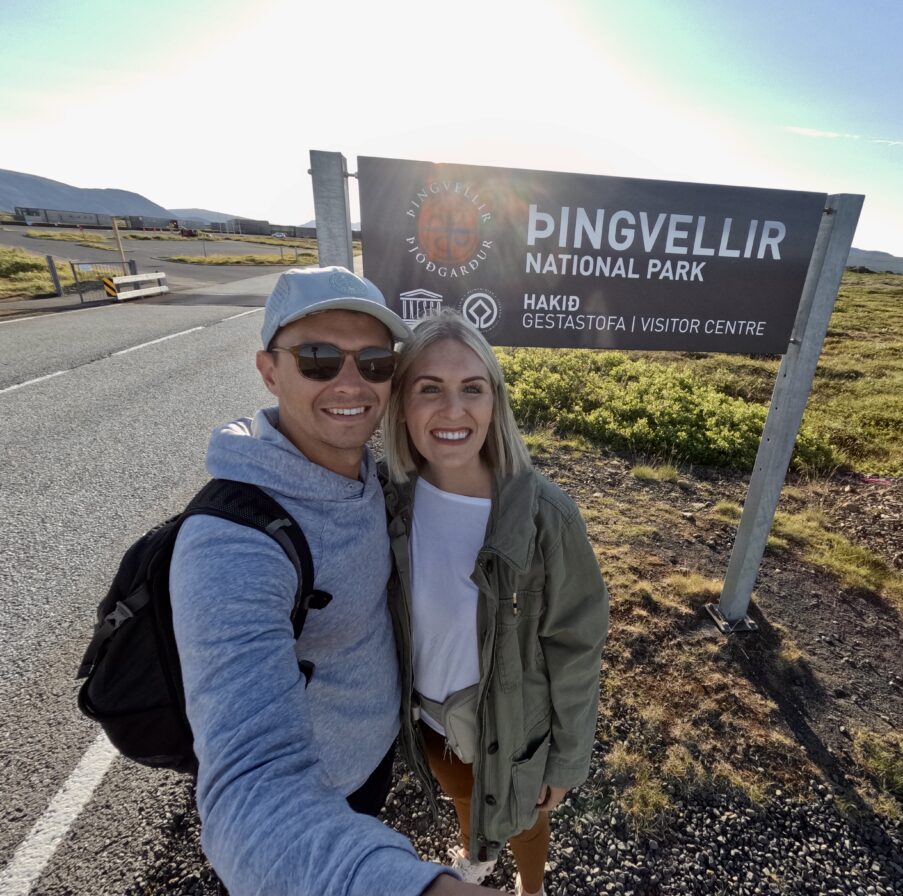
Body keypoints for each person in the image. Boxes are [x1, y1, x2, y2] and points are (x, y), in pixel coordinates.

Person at [169, 267, 499, 895]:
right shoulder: (232, 543)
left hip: (377, 756)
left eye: (374, 362)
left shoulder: (370, 476)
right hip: (315, 793)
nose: (352, 383)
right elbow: (249, 788)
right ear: (269, 370)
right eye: (319, 359)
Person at [381, 311, 609, 896]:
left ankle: (531, 889)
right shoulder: (387, 499)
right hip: (430, 719)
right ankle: (475, 855)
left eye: (472, 389)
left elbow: (577, 643)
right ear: (402, 404)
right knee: (465, 795)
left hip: (515, 727)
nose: (453, 410)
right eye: (429, 388)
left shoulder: (543, 516)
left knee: (526, 817)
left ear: (494, 404)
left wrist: (566, 761)